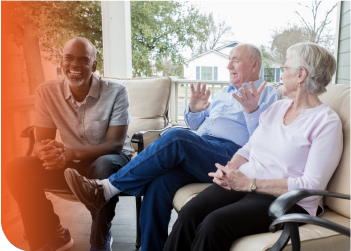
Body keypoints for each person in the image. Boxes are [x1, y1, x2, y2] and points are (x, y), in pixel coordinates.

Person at [63, 43, 280, 251]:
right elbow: (197, 126)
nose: (228, 65)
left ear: (254, 65)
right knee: (159, 183)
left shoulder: (267, 94)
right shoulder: (224, 93)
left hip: (231, 156)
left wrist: (251, 111)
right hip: (204, 149)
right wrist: (195, 111)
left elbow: (262, 141)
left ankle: (106, 189)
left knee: (177, 137)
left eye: (235, 60)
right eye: (229, 60)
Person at [163, 42, 344, 251]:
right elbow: (250, 147)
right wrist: (230, 169)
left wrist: (249, 183)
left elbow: (311, 186)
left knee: (214, 225)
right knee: (190, 213)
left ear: (301, 75)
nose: (281, 75)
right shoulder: (278, 108)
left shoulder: (326, 122)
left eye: (285, 69)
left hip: (285, 199)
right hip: (246, 183)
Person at [5, 37, 135, 251]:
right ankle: (51, 234)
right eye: (69, 58)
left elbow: (115, 144)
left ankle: (99, 240)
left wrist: (69, 153)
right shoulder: (47, 92)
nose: (75, 64)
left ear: (94, 65)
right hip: (71, 165)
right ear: (62, 61)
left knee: (103, 166)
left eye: (83, 60)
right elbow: (40, 143)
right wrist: (47, 153)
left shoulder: (116, 91)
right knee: (18, 168)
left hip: (110, 160)